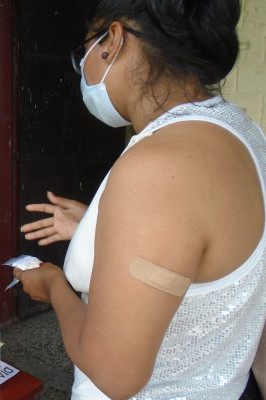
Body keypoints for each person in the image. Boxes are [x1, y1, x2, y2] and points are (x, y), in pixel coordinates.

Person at [16, 1, 266, 399]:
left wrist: (54, 287)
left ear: (112, 41)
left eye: (82, 55)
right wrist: (98, 226)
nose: (83, 71)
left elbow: (115, 373)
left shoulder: (159, 167)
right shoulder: (245, 133)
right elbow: (201, 257)